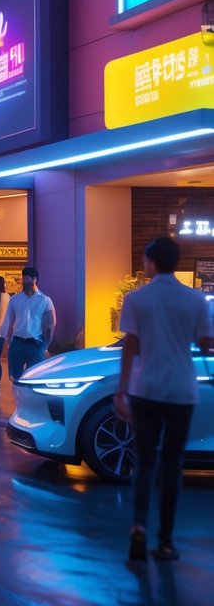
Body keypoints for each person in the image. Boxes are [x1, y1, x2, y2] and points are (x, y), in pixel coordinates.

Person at [114, 236, 213, 561]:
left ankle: (139, 526)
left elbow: (130, 345)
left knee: (144, 461)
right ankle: (167, 541)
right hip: (182, 391)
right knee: (172, 463)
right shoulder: (195, 299)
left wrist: (122, 391)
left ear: (151, 262)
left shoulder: (136, 299)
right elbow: (205, 343)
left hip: (146, 390)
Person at [3, 266, 55, 380]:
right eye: (24, 279)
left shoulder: (45, 300)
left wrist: (45, 346)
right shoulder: (15, 299)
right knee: (15, 378)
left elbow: (51, 324)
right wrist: (8, 342)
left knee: (34, 378)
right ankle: (18, 397)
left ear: (35, 279)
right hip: (17, 342)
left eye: (27, 280)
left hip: (36, 343)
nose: (25, 283)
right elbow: (9, 321)